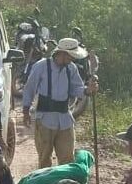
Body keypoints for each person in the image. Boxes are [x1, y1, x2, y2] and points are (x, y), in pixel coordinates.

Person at [22, 38, 98, 168]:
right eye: (70, 56)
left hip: (65, 120)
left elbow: (76, 89)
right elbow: (29, 88)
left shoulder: (71, 68)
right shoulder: (41, 66)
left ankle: (64, 181)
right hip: (45, 119)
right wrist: (25, 111)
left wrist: (87, 90)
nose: (72, 59)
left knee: (67, 160)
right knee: (44, 160)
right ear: (62, 53)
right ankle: (46, 181)